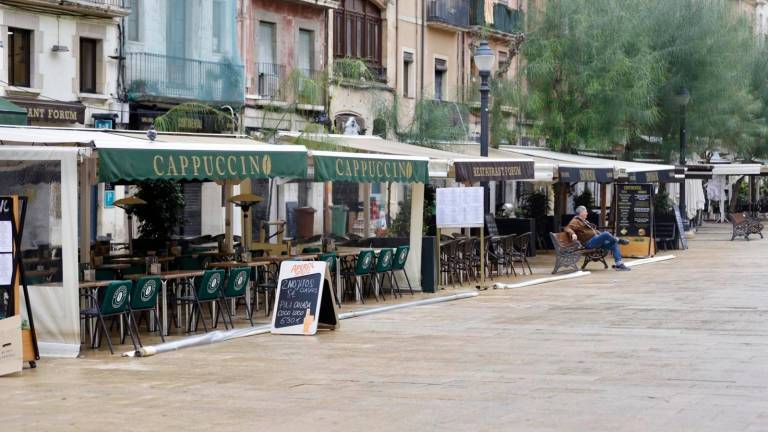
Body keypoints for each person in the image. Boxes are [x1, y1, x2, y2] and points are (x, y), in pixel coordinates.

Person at [564, 206, 631, 271]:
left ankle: (619, 264)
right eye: (585, 211)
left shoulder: (584, 221)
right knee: (605, 234)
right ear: (581, 212)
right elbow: (567, 228)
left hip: (596, 242)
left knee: (614, 244)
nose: (587, 213)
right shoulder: (575, 221)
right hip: (589, 243)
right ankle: (618, 239)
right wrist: (573, 234)